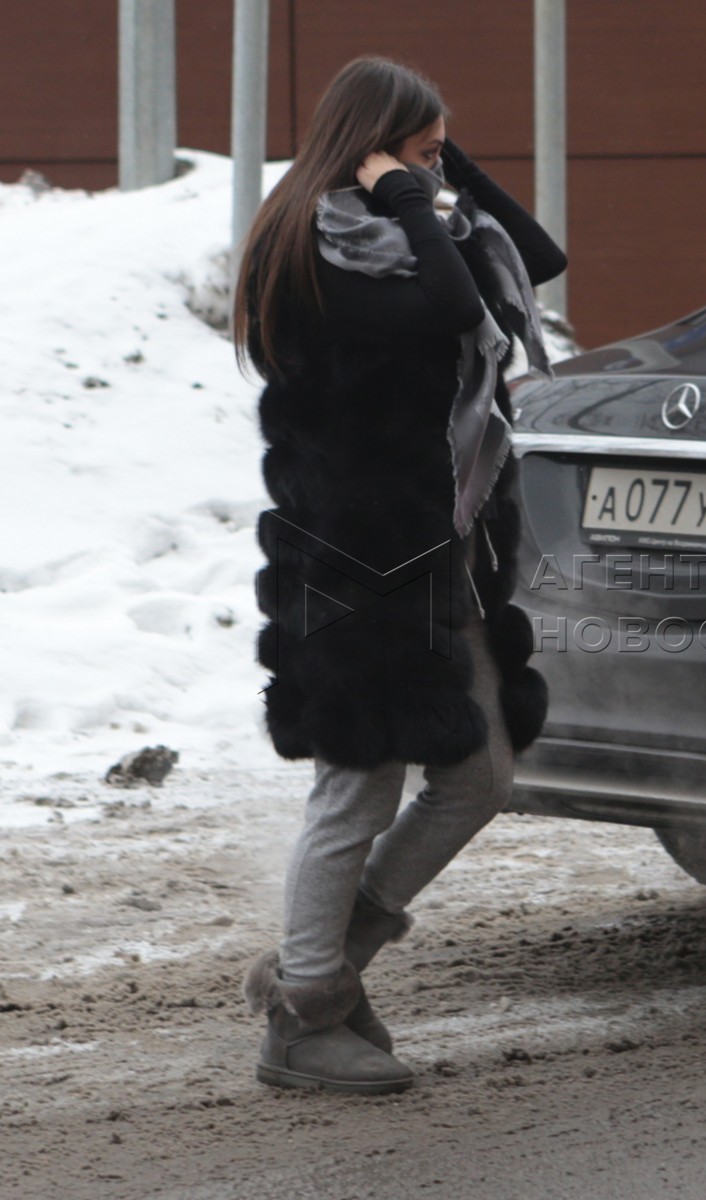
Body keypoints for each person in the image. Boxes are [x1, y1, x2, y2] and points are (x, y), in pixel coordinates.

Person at [230, 55, 566, 1094]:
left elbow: (538, 260)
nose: (434, 173)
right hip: (354, 562)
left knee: (481, 774)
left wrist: (431, 161)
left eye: (435, 151)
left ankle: (317, 966)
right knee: (357, 786)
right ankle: (306, 1016)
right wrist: (405, 190)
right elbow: (444, 308)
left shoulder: (418, 231)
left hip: (442, 556)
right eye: (418, 147)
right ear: (367, 150)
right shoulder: (317, 252)